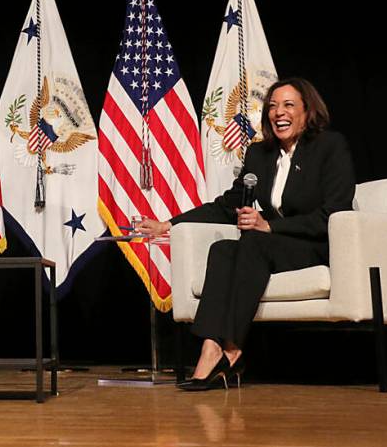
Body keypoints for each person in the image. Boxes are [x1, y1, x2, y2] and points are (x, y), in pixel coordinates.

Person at [136, 77, 355, 390]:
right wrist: (169, 224)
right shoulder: (259, 156)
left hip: (315, 246)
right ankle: (212, 348)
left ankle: (232, 347)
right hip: (272, 247)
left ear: (307, 112)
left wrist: (271, 225)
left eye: (289, 105)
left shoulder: (330, 147)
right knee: (224, 249)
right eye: (273, 106)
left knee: (253, 240)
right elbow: (228, 205)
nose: (279, 112)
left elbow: (333, 213)